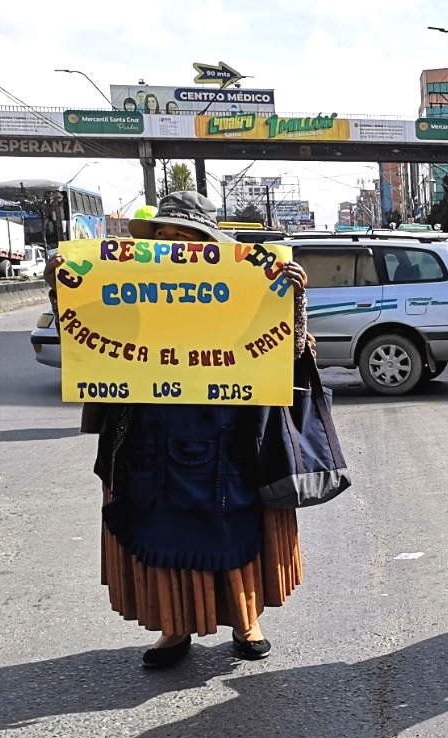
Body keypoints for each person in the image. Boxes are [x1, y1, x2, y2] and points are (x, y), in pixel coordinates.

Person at [44, 191, 311, 668]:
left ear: (208, 244)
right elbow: (87, 333)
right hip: (148, 432)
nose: (170, 246)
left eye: (182, 237)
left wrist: (295, 299)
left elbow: (287, 357)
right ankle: (173, 627)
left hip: (230, 435)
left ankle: (246, 621)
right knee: (156, 524)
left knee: (234, 525)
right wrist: (59, 288)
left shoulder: (247, 287)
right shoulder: (126, 285)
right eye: (163, 237)